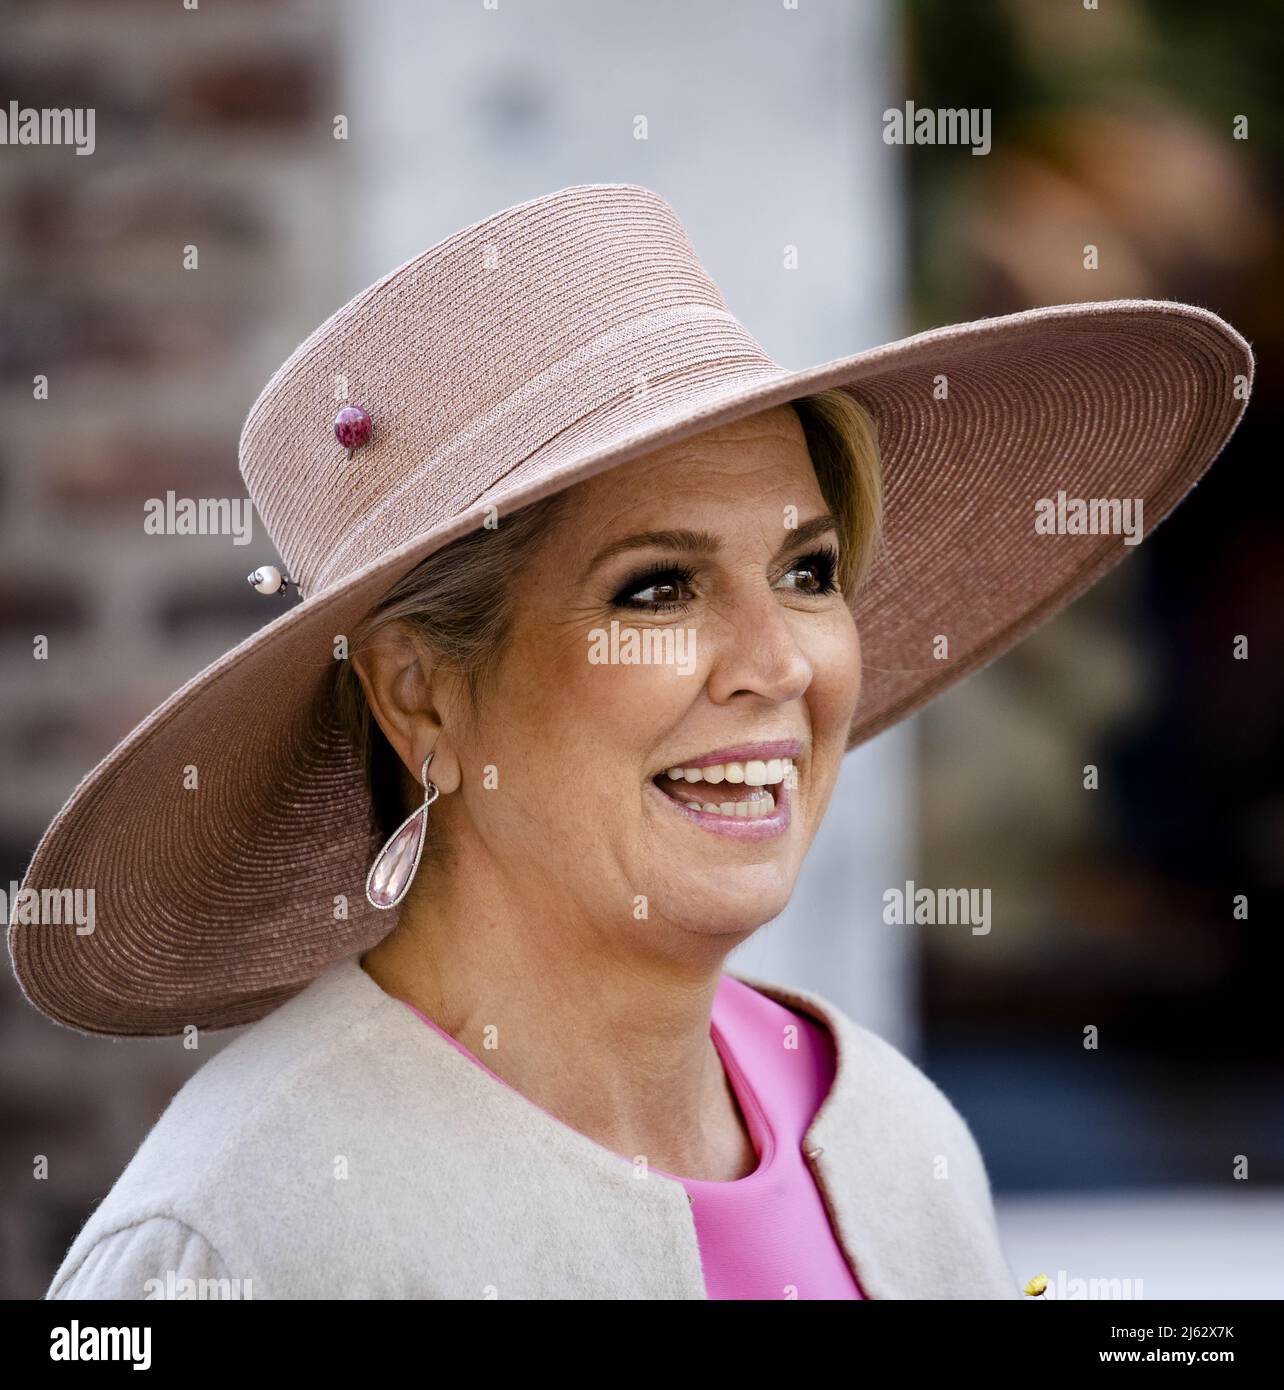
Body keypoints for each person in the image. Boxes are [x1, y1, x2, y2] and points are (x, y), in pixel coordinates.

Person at [9, 183, 1252, 1299]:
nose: (779, 664)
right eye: (657, 589)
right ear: (419, 696)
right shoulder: (243, 1238)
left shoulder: (892, 1137)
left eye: (808, 570)